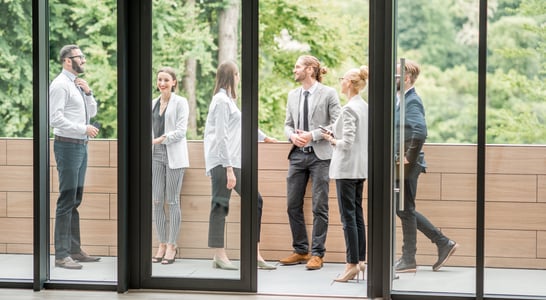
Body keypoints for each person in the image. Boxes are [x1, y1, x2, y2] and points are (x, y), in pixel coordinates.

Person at [204, 61, 277, 270]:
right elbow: (221, 137)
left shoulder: (229, 101)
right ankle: (219, 254)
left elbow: (242, 125)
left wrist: (264, 138)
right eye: (237, 74)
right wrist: (228, 169)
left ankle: (254, 253)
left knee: (256, 201)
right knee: (220, 206)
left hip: (234, 160)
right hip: (222, 162)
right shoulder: (220, 101)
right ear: (232, 76)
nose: (239, 78)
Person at [394, 59, 458, 273]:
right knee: (403, 209)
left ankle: (410, 258)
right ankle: (442, 243)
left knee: (405, 209)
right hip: (401, 164)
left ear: (407, 78)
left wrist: (407, 158)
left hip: (407, 165)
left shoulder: (412, 100)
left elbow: (420, 131)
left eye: (395, 75)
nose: (392, 79)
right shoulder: (400, 99)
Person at [280, 55, 341, 270]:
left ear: (310, 69)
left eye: (297, 67)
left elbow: (337, 124)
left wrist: (312, 135)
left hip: (321, 157)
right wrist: (292, 137)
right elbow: (287, 124)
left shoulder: (329, 93)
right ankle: (300, 250)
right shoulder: (292, 95)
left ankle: (317, 254)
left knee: (319, 206)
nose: (294, 70)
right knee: (292, 205)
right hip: (297, 155)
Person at [49, 44, 101, 269]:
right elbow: (55, 120)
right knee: (66, 200)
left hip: (81, 146)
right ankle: (61, 255)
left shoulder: (77, 85)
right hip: (68, 146)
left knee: (75, 200)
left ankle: (74, 249)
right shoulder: (60, 85)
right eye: (81, 57)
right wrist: (83, 129)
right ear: (68, 61)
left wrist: (88, 93)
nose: (84, 60)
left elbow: (93, 113)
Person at [322, 66, 369, 282]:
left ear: (350, 83)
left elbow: (347, 143)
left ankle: (351, 264)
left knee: (347, 218)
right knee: (357, 215)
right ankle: (360, 260)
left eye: (342, 79)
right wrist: (335, 132)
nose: (340, 82)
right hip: (360, 169)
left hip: (346, 169)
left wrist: (331, 140)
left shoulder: (349, 108)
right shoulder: (364, 107)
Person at [151, 67, 189, 265]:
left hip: (174, 155)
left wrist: (160, 140)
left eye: (166, 79)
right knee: (157, 201)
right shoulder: (152, 104)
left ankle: (172, 245)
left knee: (172, 201)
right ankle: (162, 243)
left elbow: (181, 131)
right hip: (155, 156)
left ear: (174, 82)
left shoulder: (181, 102)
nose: (162, 83)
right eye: (159, 79)